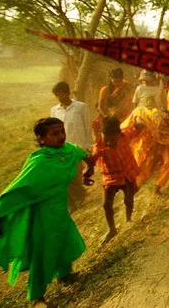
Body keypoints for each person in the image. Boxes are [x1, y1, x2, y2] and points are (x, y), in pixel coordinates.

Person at [0, 118, 93, 307]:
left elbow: (83, 153)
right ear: (41, 139)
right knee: (43, 251)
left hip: (60, 210)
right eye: (54, 133)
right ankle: (36, 297)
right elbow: (17, 189)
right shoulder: (39, 162)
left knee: (65, 240)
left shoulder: (68, 151)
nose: (61, 136)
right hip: (43, 216)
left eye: (62, 131)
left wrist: (88, 170)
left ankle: (64, 275)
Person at [86, 116, 140, 243]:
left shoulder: (125, 136)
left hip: (127, 174)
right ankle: (112, 229)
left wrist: (139, 124)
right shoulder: (99, 146)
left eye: (112, 139)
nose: (109, 142)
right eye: (106, 139)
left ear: (118, 134)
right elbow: (91, 161)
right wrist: (87, 173)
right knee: (106, 204)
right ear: (101, 135)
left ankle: (128, 219)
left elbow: (135, 131)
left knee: (128, 199)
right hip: (110, 178)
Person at [50, 81, 93, 209]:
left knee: (74, 174)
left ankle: (79, 198)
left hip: (78, 147)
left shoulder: (80, 107)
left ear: (67, 93)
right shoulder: (54, 110)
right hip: (62, 148)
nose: (58, 97)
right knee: (64, 176)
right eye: (56, 95)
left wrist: (89, 145)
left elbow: (87, 127)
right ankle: (72, 201)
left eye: (60, 94)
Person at [92, 67, 133, 139]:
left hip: (123, 119)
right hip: (107, 118)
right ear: (110, 79)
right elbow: (100, 107)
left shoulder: (127, 89)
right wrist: (107, 117)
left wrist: (124, 119)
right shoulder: (104, 90)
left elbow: (130, 106)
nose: (117, 83)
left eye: (119, 81)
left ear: (122, 78)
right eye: (115, 81)